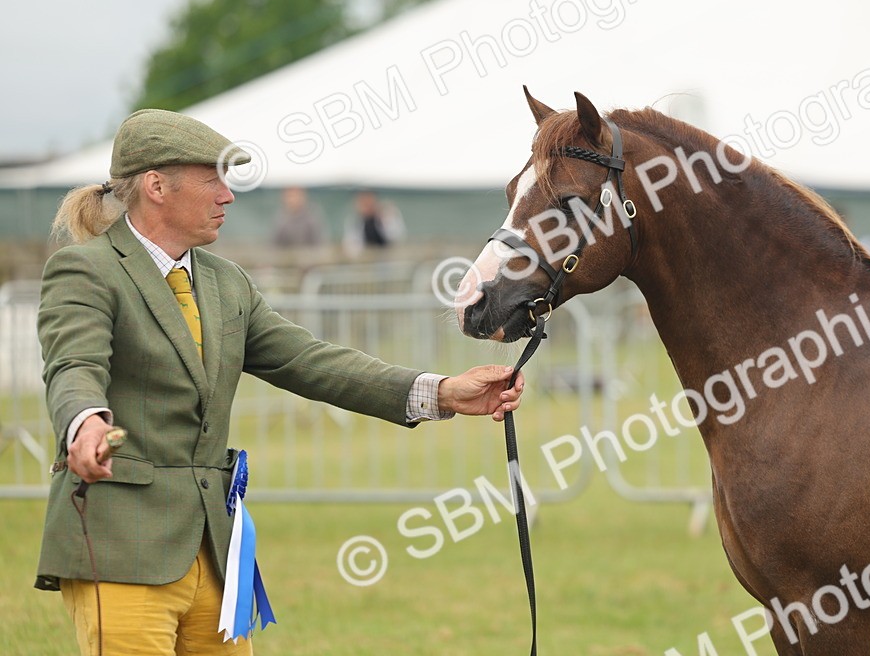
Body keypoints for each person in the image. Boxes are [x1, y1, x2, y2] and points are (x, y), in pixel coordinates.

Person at [36, 109, 524, 655]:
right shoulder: (85, 270)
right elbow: (73, 364)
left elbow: (312, 362)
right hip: (119, 544)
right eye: (213, 179)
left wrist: (440, 391)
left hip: (213, 553)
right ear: (155, 186)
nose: (228, 196)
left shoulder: (227, 282)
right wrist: (85, 422)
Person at [343, 190, 405, 256]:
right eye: (362, 202)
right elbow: (351, 245)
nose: (366, 205)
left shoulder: (386, 216)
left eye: (368, 201)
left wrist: (385, 219)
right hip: (367, 257)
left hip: (387, 255)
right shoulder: (355, 221)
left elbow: (395, 237)